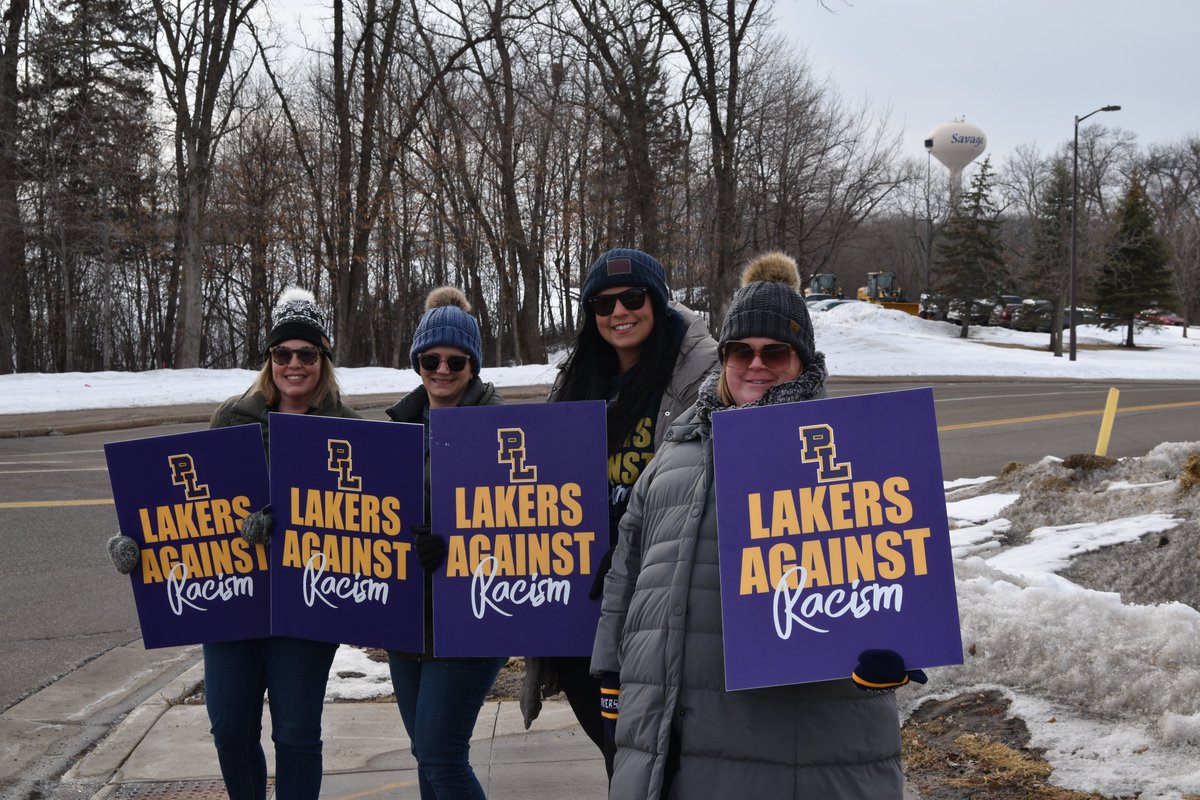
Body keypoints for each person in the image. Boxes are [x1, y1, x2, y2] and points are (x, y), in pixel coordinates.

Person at [590, 252, 926, 799]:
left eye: (777, 351)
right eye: (740, 351)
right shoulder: (673, 456)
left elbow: (894, 574)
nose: (757, 364)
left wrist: (892, 652)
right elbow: (624, 580)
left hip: (793, 749)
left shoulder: (850, 458)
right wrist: (609, 678)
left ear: (803, 361)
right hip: (671, 737)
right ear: (722, 359)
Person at [107, 286, 360, 800]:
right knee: (229, 729)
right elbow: (185, 509)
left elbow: (364, 521)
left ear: (323, 359)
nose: (294, 363)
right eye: (282, 353)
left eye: (306, 353)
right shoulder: (232, 416)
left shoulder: (348, 430)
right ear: (269, 359)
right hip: (231, 602)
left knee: (294, 734)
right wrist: (135, 545)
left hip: (305, 607)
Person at [520, 248, 718, 777]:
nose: (618, 312)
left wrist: (640, 548)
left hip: (657, 598)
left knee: (667, 761)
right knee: (620, 757)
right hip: (580, 604)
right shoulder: (577, 380)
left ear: (657, 300)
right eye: (603, 304)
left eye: (633, 298)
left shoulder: (707, 374)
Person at [385, 286, 507, 800]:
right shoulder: (397, 426)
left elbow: (522, 524)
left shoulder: (499, 426)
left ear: (473, 364)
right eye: (430, 358)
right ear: (417, 360)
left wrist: (452, 544)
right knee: (426, 759)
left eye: (456, 360)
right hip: (409, 617)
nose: (442, 369)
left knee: (441, 754)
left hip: (471, 613)